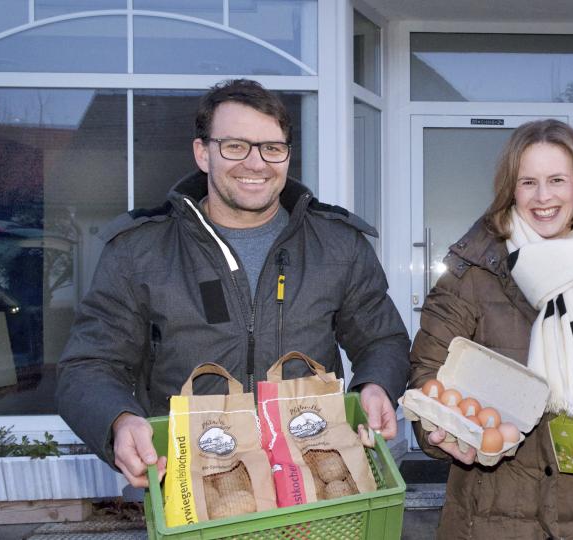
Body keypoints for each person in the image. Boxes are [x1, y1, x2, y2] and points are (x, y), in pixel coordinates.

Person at [56, 79, 410, 488]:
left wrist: (376, 385)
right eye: (235, 146)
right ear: (202, 153)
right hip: (193, 487)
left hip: (315, 484)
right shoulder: (140, 252)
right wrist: (119, 419)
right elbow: (88, 365)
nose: (257, 164)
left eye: (272, 148)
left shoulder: (338, 244)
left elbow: (381, 339)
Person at [409, 119, 573, 538]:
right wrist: (441, 432)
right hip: (490, 521)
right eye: (528, 183)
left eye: (557, 180)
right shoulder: (471, 275)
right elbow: (426, 380)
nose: (543, 197)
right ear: (511, 190)